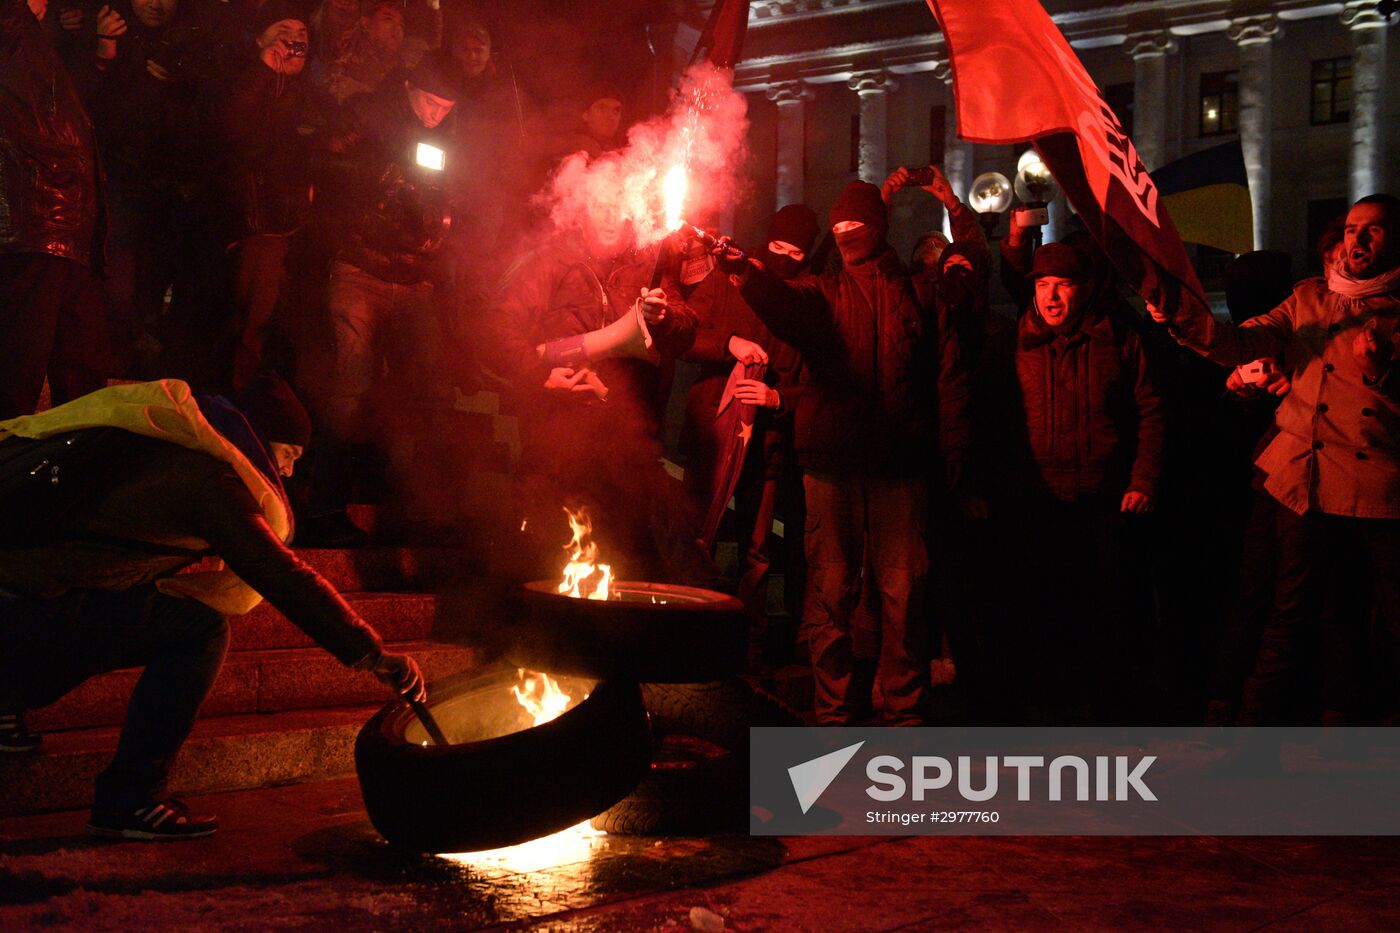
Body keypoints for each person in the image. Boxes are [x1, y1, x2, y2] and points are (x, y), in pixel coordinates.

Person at [0, 375, 424, 839]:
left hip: (23, 596)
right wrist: (370, 652)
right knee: (197, 628)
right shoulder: (210, 481)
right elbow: (279, 573)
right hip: (16, 606)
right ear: (259, 441)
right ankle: (129, 798)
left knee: (142, 606)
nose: (285, 474)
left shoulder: (171, 445)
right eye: (287, 456)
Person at [715, 180, 970, 725]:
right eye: (838, 226)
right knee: (831, 599)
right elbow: (782, 304)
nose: (843, 232)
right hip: (830, 469)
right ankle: (834, 718)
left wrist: (952, 466)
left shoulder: (920, 294)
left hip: (900, 472)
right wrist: (743, 272)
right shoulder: (822, 292)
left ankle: (905, 717)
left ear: (876, 227)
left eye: (852, 223)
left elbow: (948, 385)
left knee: (905, 599)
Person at [1150, 194, 1400, 730]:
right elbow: (1240, 341)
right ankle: (1251, 729)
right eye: (1352, 228)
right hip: (1302, 480)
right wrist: (1182, 315)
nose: (1357, 241)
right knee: (1285, 613)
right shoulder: (1309, 299)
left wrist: (1383, 374)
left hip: (1380, 485)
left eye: (1373, 231)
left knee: (1382, 613)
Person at [977, 242, 1163, 722]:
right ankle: (1042, 708)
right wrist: (985, 487)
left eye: (1062, 285)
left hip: (1102, 501)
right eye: (1042, 285)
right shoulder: (1009, 344)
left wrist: (1142, 479)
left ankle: (1106, 711)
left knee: (1103, 614)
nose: (1052, 297)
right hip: (1032, 503)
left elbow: (1150, 411)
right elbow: (988, 420)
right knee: (1038, 612)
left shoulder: (1119, 339)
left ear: (1083, 290)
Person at [486, 200, 704, 584]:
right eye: (599, 206)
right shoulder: (550, 262)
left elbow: (686, 329)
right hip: (557, 436)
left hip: (623, 435)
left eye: (618, 206)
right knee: (548, 546)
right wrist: (539, 375)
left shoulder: (647, 267)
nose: (609, 217)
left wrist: (664, 317)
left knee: (624, 551)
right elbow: (498, 326)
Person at [299, 51, 467, 547]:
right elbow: (328, 170)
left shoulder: (446, 137)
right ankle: (323, 508)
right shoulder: (368, 113)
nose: (436, 115)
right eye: (430, 104)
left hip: (414, 278)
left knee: (429, 390)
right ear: (410, 84)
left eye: (445, 108)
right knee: (350, 385)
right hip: (360, 269)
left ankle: (422, 513)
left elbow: (449, 202)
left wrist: (434, 254)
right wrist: (372, 187)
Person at [679, 204, 819, 671]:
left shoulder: (804, 297)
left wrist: (776, 396)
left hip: (768, 444)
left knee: (758, 551)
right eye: (777, 248)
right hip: (712, 435)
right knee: (703, 534)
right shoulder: (729, 276)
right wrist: (728, 345)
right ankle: (693, 638)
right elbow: (682, 334)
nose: (785, 258)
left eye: (797, 252)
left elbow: (817, 380)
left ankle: (750, 653)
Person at [0, 0, 112, 420]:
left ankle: (75, 475)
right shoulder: (11, 22)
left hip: (70, 228)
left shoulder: (37, 39)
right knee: (16, 375)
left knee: (83, 382)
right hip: (32, 223)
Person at [214, 0, 316, 391]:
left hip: (293, 228)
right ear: (260, 40)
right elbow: (233, 133)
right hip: (254, 226)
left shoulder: (310, 94)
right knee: (248, 322)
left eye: (301, 36)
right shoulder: (243, 80)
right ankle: (234, 401)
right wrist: (263, 72)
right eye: (282, 34)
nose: (292, 44)